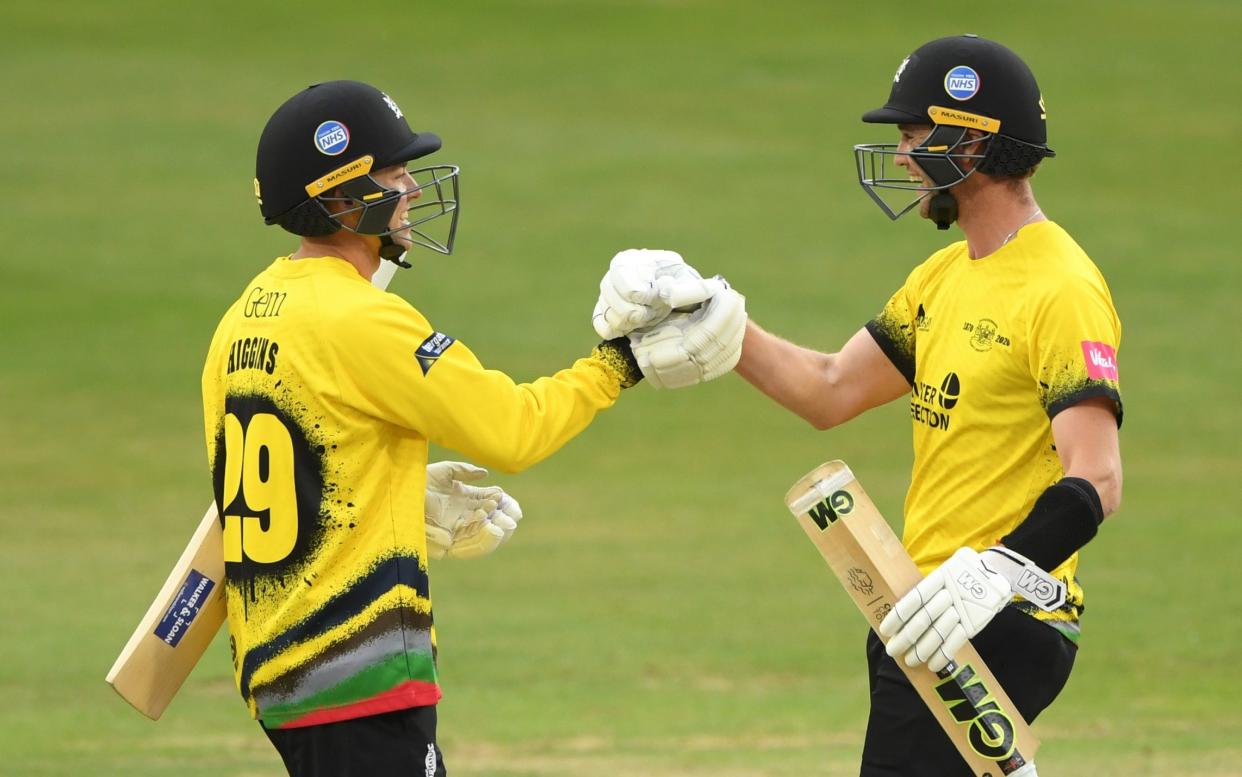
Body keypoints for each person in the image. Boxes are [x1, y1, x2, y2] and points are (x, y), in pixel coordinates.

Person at [593, 34, 1123, 776]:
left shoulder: (1060, 286)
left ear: (971, 145)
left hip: (999, 615)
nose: (902, 156)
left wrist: (991, 573)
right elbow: (831, 387)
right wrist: (716, 321)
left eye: (914, 136)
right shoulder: (943, 277)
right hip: (923, 611)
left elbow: (1097, 478)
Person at [200, 79, 736, 777]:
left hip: (279, 673)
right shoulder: (361, 319)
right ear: (339, 199)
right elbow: (512, 431)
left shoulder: (243, 317)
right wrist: (621, 363)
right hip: (356, 678)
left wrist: (387, 495)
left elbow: (293, 467)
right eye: (394, 174)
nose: (413, 189)